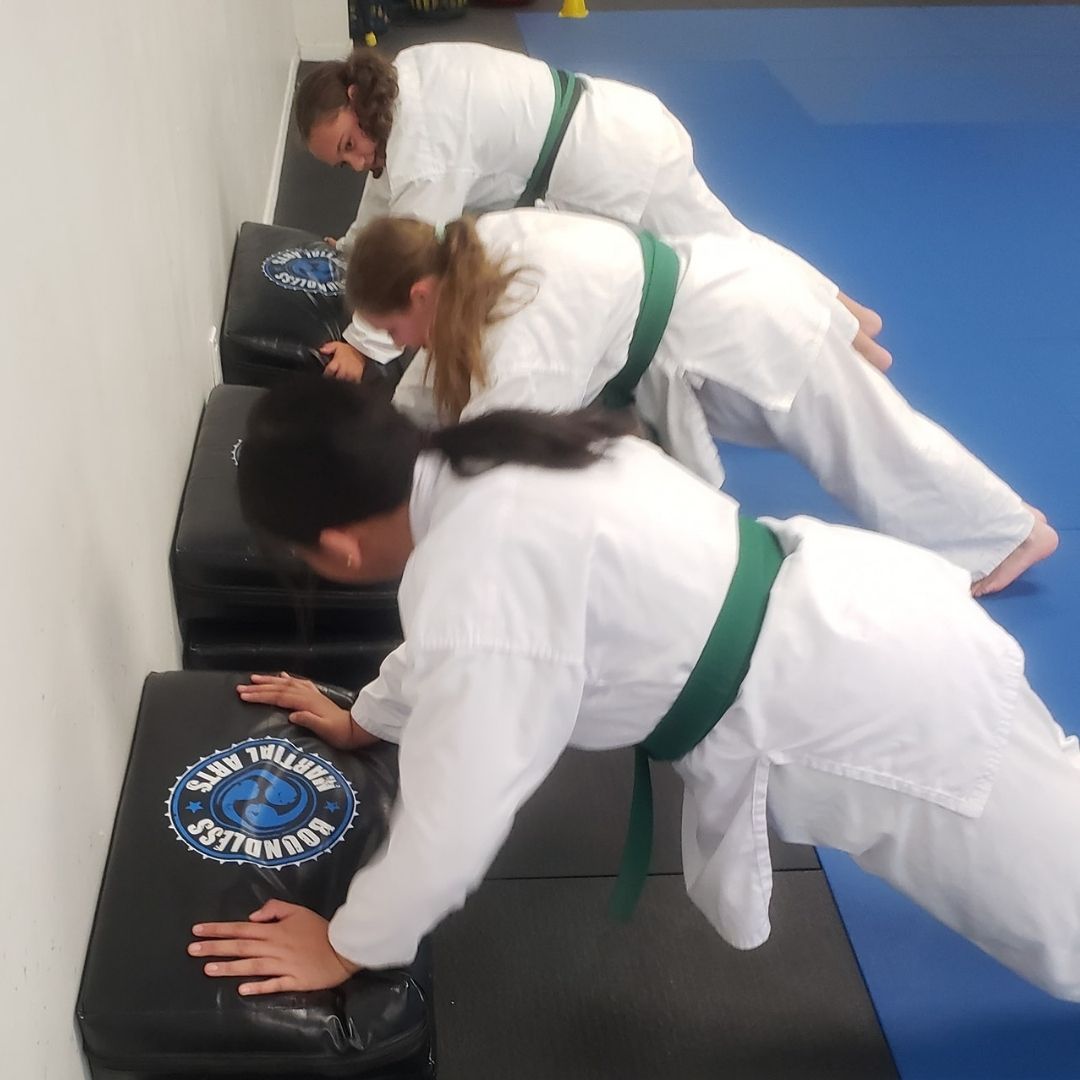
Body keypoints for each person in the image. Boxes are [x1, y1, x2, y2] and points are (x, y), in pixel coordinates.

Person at [188, 378, 1080, 1006]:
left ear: (337, 549)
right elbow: (455, 658)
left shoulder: (473, 577)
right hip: (874, 616)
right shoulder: (484, 455)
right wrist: (364, 719)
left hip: (871, 714)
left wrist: (349, 942)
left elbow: (453, 815)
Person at [342, 208, 1054, 596]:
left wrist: (407, 511)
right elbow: (442, 391)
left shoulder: (527, 334)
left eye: (394, 330)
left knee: (872, 452)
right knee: (852, 442)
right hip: (710, 318)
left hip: (742, 327)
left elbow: (497, 448)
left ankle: (1013, 532)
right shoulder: (477, 243)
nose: (404, 346)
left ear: (421, 294)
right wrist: (390, 427)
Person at [293, 42, 891, 376]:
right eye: (339, 161)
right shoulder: (402, 78)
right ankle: (851, 314)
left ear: (353, 97)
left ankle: (848, 341)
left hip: (624, 164)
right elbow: (383, 179)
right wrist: (349, 245)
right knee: (732, 243)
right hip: (615, 125)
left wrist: (362, 344)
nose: (353, 161)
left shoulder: (427, 146)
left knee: (730, 258)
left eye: (347, 144)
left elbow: (411, 245)